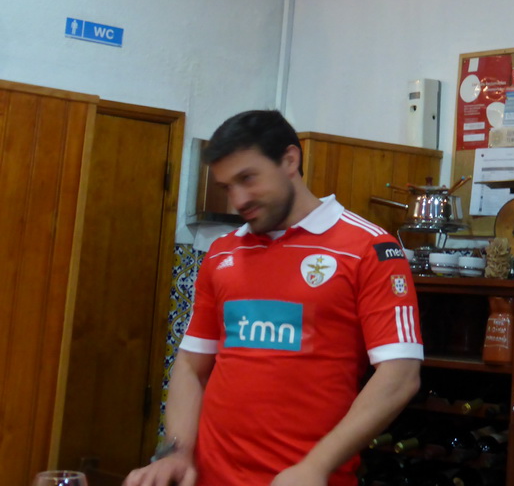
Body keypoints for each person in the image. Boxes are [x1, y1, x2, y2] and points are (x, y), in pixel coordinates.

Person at [125, 110, 422, 486]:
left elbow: (400, 376)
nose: (239, 200)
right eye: (228, 186)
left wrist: (315, 466)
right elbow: (190, 365)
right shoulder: (220, 252)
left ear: (289, 160)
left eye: (248, 179)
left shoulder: (369, 248)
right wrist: (178, 451)